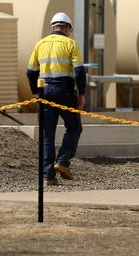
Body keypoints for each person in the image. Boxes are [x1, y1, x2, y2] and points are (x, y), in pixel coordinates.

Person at [27, 12, 85, 186]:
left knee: (47, 135)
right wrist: (81, 93)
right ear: (66, 28)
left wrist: (36, 92)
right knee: (74, 127)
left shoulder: (40, 44)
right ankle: (63, 161)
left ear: (53, 27)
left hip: (45, 92)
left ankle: (48, 177)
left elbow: (30, 71)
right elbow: (80, 70)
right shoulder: (70, 43)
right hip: (65, 91)